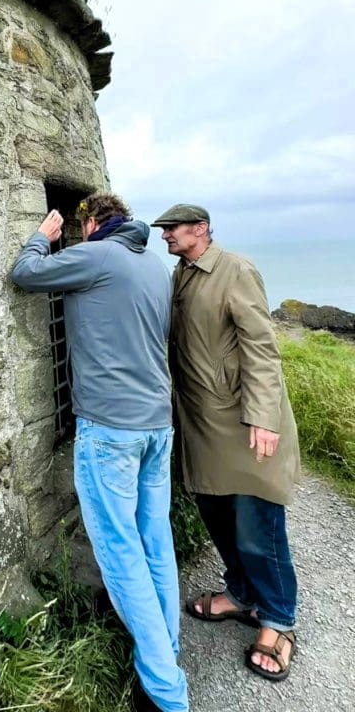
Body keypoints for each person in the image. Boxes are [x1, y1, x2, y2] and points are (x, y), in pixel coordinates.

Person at [12, 192, 188, 712]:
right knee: (155, 542)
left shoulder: (96, 254)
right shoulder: (153, 265)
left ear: (90, 223)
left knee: (120, 552)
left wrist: (40, 240)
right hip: (157, 424)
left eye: (78, 226)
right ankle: (168, 651)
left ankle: (164, 692)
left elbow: (25, 274)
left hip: (111, 431)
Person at [151, 203, 301, 682]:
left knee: (257, 520)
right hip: (201, 423)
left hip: (241, 422)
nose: (165, 236)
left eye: (172, 228)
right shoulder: (181, 275)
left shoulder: (235, 270)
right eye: (162, 230)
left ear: (201, 229)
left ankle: (278, 619)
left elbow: (260, 346)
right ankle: (240, 595)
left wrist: (262, 417)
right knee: (216, 512)